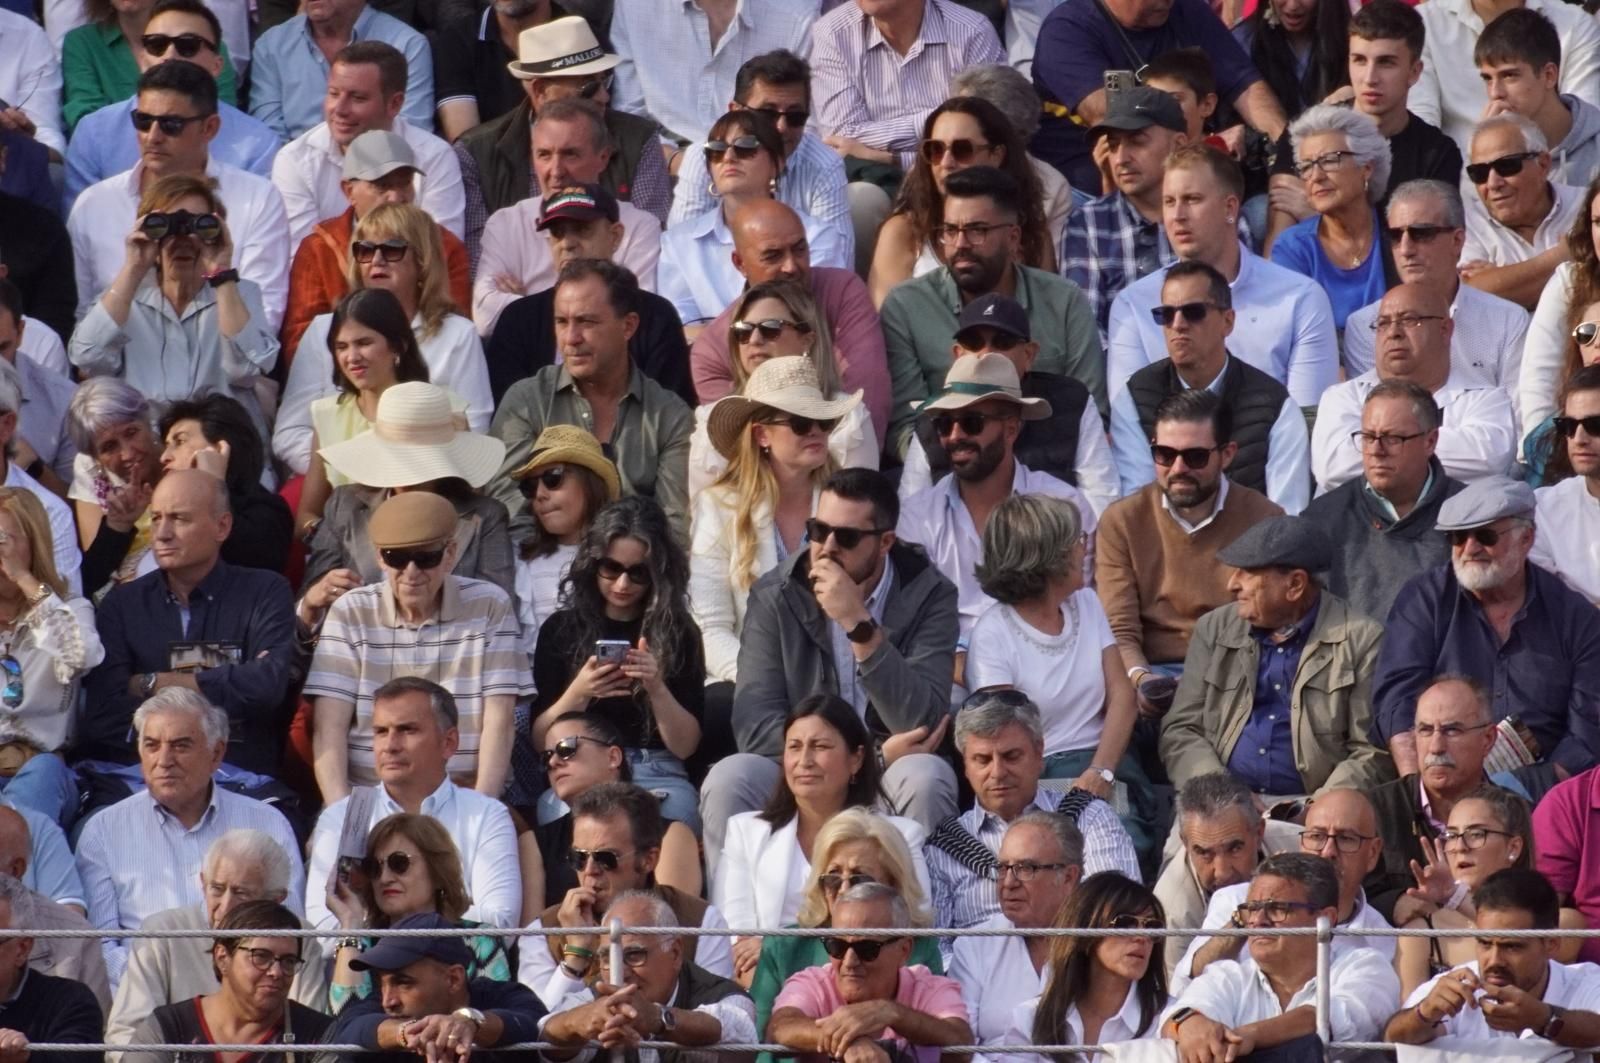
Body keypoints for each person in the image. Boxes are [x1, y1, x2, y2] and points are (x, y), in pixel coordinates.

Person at [702, 468, 959, 873]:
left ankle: (926, 930)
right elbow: (754, 726)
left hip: (888, 772)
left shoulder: (929, 592)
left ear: (886, 543)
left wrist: (860, 626)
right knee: (731, 777)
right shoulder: (775, 594)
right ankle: (733, 933)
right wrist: (861, 756)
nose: (826, 548)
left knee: (925, 776)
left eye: (848, 537)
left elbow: (922, 720)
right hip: (813, 766)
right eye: (818, 530)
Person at [304, 490, 529, 801]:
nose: (411, 572)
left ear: (450, 554)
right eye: (397, 558)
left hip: (464, 795)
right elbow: (329, 728)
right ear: (380, 557)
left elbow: (500, 721)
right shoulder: (350, 611)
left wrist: (481, 811)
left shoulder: (490, 605)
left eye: (425, 558)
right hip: (368, 796)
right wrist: (340, 814)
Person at [1371, 474, 1600, 778]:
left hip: (1541, 792)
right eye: (1457, 537)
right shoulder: (1424, 600)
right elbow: (1396, 701)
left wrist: (1525, 792)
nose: (1469, 548)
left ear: (1527, 539)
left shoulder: (1575, 618)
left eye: (1486, 536)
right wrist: (1420, 794)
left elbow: (1587, 732)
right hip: (1433, 778)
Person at [75, 688, 305, 987]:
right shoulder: (104, 830)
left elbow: (293, 930)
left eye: (181, 746)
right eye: (151, 745)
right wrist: (160, 982)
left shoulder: (268, 823)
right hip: (145, 1002)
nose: (164, 760)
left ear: (216, 753)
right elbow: (100, 945)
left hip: (249, 1000)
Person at [80, 469, 297, 778]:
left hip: (241, 780)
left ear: (222, 526)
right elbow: (105, 715)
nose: (162, 533)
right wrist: (228, 686)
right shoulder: (122, 605)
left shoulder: (265, 592)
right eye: (156, 519)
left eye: (179, 519)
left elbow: (266, 687)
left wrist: (155, 682)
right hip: (141, 780)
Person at [965, 496, 1152, 850]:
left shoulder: (1088, 604)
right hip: (1033, 776)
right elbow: (1003, 736)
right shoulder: (993, 633)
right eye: (1077, 541)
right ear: (1049, 558)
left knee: (1120, 840)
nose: (1085, 548)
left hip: (1105, 763)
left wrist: (1101, 772)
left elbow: (1123, 697)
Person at [1159, 515, 1391, 797]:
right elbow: (1181, 730)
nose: (1232, 584)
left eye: (1247, 572)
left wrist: (1317, 810)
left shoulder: (1361, 639)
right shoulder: (1214, 628)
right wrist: (1222, 793)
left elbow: (1369, 752)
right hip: (1218, 801)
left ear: (1295, 585)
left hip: (1313, 809)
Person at [882, 166, 1103, 459]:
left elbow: (1090, 411)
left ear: (1013, 238)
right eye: (950, 230)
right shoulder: (906, 306)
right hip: (945, 470)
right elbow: (905, 427)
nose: (960, 244)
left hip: (1051, 470)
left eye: (977, 231)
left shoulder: (1064, 302)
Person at [1097, 391, 1282, 736]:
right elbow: (1119, 631)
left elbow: (1269, 630)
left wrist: (1208, 680)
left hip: (1234, 677)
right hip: (1150, 676)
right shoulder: (1122, 521)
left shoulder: (1264, 519)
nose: (1178, 469)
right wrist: (1142, 679)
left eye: (1195, 457)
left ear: (1227, 454)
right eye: (1164, 454)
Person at [713, 696, 929, 985]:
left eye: (820, 747)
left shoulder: (902, 835)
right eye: (794, 747)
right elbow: (738, 945)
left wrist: (775, 946)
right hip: (765, 983)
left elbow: (910, 927)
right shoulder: (745, 831)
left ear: (856, 759)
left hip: (865, 980)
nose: (804, 761)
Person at [1106, 145, 1339, 412]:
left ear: (1230, 207)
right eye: (1169, 202)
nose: (1177, 216)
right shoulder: (1133, 305)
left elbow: (1306, 421)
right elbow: (1130, 424)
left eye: (1192, 199)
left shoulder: (1301, 298)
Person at [276, 202, 494, 481]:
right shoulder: (322, 330)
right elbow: (289, 433)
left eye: (391, 249)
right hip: (336, 488)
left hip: (429, 483)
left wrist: (402, 478)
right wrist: (352, 472)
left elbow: (474, 431)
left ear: (422, 261)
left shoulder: (458, 334)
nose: (376, 260)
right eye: (365, 250)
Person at [67, 60, 290, 332]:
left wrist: (220, 275)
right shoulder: (94, 204)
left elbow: (264, 322)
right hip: (120, 367)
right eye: (143, 121)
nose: (153, 136)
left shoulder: (257, 197)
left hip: (224, 367)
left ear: (210, 128)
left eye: (171, 124)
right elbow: (81, 320)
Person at [486, 259, 694, 542]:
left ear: (628, 326)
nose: (571, 338)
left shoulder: (670, 416)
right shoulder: (525, 400)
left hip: (633, 576)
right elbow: (508, 505)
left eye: (586, 321)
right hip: (538, 569)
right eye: (561, 322)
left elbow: (674, 527)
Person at [528, 495, 704, 828]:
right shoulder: (561, 630)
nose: (623, 584)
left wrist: (656, 687)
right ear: (593, 564)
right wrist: (579, 692)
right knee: (558, 818)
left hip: (657, 770)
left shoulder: (678, 631)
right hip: (582, 768)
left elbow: (686, 746)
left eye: (637, 573)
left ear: (656, 574)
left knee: (675, 823)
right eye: (611, 568)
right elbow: (539, 740)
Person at [898, 354, 1097, 648]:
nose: (955, 436)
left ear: (1011, 429)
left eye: (971, 422)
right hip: (951, 673)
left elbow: (1077, 608)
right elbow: (916, 627)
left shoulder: (1064, 506)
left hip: (1048, 665)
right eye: (943, 424)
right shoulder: (917, 516)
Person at [69, 171, 278, 440]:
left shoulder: (240, 294)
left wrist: (221, 273)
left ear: (216, 230)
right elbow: (87, 359)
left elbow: (246, 371)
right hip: (149, 452)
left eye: (197, 226)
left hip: (221, 447)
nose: (182, 238)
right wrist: (134, 267)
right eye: (164, 225)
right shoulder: (122, 298)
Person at [692, 357, 860, 686]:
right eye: (799, 422)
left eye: (821, 421)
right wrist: (765, 683)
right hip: (751, 679)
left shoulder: (850, 504)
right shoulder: (719, 506)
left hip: (841, 679)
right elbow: (710, 629)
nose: (815, 431)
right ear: (761, 435)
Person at [306, 677, 521, 932]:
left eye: (407, 730)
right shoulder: (341, 817)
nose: (390, 746)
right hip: (359, 971)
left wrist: (387, 917)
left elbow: (500, 925)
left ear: (449, 742)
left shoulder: (486, 814)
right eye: (381, 732)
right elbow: (321, 931)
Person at [452, 16, 671, 259]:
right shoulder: (475, 153)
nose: (603, 97)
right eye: (587, 87)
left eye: (604, 81)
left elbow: (647, 246)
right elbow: (480, 264)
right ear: (540, 91)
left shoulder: (639, 139)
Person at [927, 692, 1139, 935]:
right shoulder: (943, 849)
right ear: (965, 765)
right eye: (982, 760)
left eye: (1011, 756)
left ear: (1039, 754)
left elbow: (1118, 919)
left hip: (1074, 966)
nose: (997, 772)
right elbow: (938, 951)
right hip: (973, 971)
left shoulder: (1089, 818)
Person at [1108, 261, 1311, 514]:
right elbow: (1137, 506)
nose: (1178, 324)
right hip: (1162, 548)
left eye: (1193, 312)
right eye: (1166, 314)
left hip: (1253, 549)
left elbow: (1286, 516)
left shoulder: (1274, 405)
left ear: (1228, 321)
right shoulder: (1135, 396)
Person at [1030, 0, 1287, 196]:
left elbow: (1246, 85)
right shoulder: (1066, 30)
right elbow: (1117, 119)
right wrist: (1207, 142)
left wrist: (1287, 155)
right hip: (1086, 188)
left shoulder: (1185, 9)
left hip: (1188, 175)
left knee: (1266, 208)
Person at [298, 379, 514, 605]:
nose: (408, 473)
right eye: (400, 458)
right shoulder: (345, 505)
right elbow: (307, 608)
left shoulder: (485, 517)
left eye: (418, 461)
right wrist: (314, 600)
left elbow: (499, 607)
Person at [106, 829, 326, 1049]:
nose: (226, 906)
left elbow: (310, 1036)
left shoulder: (296, 939)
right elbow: (127, 1035)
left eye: (241, 893)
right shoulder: (161, 933)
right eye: (217, 889)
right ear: (203, 883)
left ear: (276, 900)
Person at [1162, 853, 1399, 1056]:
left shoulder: (1365, 966)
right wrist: (1189, 1023)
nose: (1258, 921)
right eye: (1252, 909)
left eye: (1277, 909)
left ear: (1325, 919)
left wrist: (1250, 1036)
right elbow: (1176, 1015)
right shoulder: (1229, 975)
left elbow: (1327, 1018)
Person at [897, 294, 1115, 514]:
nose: (987, 353)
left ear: (1029, 354)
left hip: (1059, 541)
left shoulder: (1071, 400)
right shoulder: (934, 414)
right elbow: (911, 507)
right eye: (974, 343)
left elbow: (1101, 495)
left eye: (1002, 342)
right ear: (958, 355)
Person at [518, 782, 735, 1002]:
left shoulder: (700, 921)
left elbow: (718, 1015)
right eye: (579, 858)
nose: (589, 871)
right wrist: (576, 956)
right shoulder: (543, 931)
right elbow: (540, 1026)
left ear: (648, 860)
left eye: (605, 858)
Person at [63, 0, 278, 215]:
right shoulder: (93, 133)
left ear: (217, 65)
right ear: (142, 58)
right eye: (157, 45)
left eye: (187, 46)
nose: (169, 55)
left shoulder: (257, 143)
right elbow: (83, 229)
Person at [1171, 789, 1396, 995]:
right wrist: (1248, 914)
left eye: (1346, 839)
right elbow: (1184, 984)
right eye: (1317, 837)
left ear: (1373, 853)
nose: (1328, 852)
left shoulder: (1383, 940)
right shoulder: (1236, 900)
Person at [472, 97, 663, 336]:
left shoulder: (639, 226)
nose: (556, 171)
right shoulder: (505, 224)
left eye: (570, 155)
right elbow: (485, 317)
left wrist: (524, 304)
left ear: (603, 158)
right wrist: (592, 314)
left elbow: (640, 315)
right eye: (544, 155)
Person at [484, 183, 687, 405]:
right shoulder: (518, 319)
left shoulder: (657, 317)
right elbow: (509, 417)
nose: (568, 244)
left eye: (582, 229)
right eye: (558, 233)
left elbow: (670, 412)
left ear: (615, 236)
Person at [281, 129, 473, 363]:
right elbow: (299, 343)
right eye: (382, 186)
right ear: (349, 191)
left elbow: (456, 318)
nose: (396, 197)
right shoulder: (319, 248)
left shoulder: (444, 245)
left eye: (404, 185)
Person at [1310, 283, 1519, 493]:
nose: (1393, 333)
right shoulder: (1343, 398)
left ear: (1445, 329)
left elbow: (1488, 459)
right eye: (1383, 323)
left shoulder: (1486, 400)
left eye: (1409, 320)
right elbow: (1333, 467)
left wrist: (1380, 452)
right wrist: (1420, 450)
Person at [1365, 677, 1539, 923]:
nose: (1436, 746)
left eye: (1452, 730)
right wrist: (1393, 903)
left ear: (1488, 739)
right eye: (1425, 730)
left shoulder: (1518, 816)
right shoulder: (1374, 811)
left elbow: (1536, 908)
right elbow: (1344, 895)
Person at [659, 111, 847, 331]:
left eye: (745, 146)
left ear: (776, 164)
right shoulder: (677, 243)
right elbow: (679, 328)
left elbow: (807, 316)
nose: (728, 157)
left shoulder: (816, 235)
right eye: (716, 150)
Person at [286, 290, 451, 541]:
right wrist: (336, 542)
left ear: (398, 346)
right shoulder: (329, 416)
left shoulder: (437, 407)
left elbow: (469, 501)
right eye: (341, 346)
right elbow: (306, 516)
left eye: (364, 343)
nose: (352, 357)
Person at [688, 280, 876, 501]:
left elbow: (860, 513)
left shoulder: (848, 417)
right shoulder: (711, 422)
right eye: (743, 331)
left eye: (770, 329)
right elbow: (705, 520)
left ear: (807, 340)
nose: (755, 340)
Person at [271, 42, 463, 249]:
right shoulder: (294, 160)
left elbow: (443, 253)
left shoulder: (434, 156)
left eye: (358, 98)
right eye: (334, 94)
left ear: (394, 104)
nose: (340, 109)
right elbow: (305, 258)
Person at [868, 97, 1054, 308]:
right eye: (935, 150)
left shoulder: (1032, 233)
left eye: (962, 150)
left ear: (996, 155)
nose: (946, 163)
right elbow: (888, 324)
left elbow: (1046, 318)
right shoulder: (903, 232)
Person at [1302, 381, 1466, 621]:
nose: (1376, 450)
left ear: (1430, 442)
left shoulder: (1470, 516)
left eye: (1392, 438)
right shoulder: (1323, 519)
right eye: (1368, 437)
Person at [670, 51, 850, 265]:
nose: (781, 127)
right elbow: (682, 253)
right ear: (734, 111)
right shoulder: (707, 154)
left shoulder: (824, 164)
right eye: (767, 114)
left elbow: (835, 267)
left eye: (795, 117)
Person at [1344, 180, 1529, 388]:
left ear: (1457, 241)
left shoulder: (1507, 321)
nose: (1406, 250)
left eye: (1421, 234)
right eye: (1395, 236)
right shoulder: (1364, 326)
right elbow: (1373, 411)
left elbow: (1516, 414)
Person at [324, 813, 515, 1013]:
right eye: (374, 868)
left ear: (437, 871)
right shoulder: (359, 945)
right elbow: (343, 1020)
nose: (385, 878)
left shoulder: (480, 939)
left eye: (399, 864)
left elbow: (493, 1015)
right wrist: (350, 921)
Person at [1387, 868, 1600, 1047]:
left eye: (1512, 946)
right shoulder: (1455, 987)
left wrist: (1544, 1019)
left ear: (1551, 944)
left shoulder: (1586, 982)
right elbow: (1391, 1045)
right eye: (1485, 943)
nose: (1495, 960)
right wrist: (1424, 1014)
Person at [768, 880, 973, 1063]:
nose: (849, 961)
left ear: (904, 950)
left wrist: (892, 1013)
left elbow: (962, 1044)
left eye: (867, 949)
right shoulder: (814, 983)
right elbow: (779, 1028)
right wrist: (847, 1041)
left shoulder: (929, 989)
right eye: (837, 946)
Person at [1392, 786, 1568, 999]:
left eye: (1476, 834)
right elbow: (1407, 1025)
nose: (1460, 846)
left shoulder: (1562, 925)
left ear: (1513, 848)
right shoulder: (1420, 932)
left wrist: (1455, 897)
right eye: (1452, 835)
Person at [540, 891, 755, 1057]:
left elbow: (740, 1030)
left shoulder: (720, 994)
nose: (620, 972)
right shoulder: (600, 993)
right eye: (607, 958)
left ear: (675, 952)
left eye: (634, 955)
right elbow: (544, 1032)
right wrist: (578, 1023)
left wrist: (658, 1018)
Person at [0, 489, 102, 826]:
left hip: (43, 774)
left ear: (34, 543)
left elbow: (81, 652)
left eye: (3, 539)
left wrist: (25, 579)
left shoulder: (69, 610)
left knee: (40, 776)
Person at [529, 712, 702, 909]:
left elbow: (673, 928)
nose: (553, 762)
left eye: (566, 748)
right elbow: (530, 937)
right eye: (546, 757)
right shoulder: (533, 843)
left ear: (613, 757)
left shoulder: (670, 835)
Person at [1060, 86, 1190, 348]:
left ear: (1178, 145)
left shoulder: (1213, 212)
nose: (1120, 158)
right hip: (1123, 377)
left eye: (1136, 141)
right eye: (1114, 144)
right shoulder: (1087, 224)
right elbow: (1086, 331)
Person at [324, 911, 548, 1063]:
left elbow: (536, 1028)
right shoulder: (383, 1008)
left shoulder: (501, 995)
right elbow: (348, 1032)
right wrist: (408, 1032)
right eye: (382, 983)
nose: (387, 1000)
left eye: (403, 982)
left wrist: (469, 1022)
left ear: (453, 979)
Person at [810, 0, 1003, 175]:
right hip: (874, 177)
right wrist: (948, 121)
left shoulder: (971, 31)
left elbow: (987, 127)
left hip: (961, 174)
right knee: (861, 199)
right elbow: (841, 138)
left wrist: (891, 159)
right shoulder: (832, 33)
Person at [123, 900, 332, 1061]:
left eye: (288, 961)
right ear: (222, 957)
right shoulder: (168, 1029)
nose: (276, 972)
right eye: (261, 956)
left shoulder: (317, 1035)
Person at [948, 811, 1085, 1047]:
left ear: (1068, 877)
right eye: (1003, 868)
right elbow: (962, 1049)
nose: (1009, 883)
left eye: (1026, 868)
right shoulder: (975, 944)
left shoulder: (1102, 943)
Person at [607, 0, 813, 150]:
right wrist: (673, 161)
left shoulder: (796, 14)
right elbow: (629, 116)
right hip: (663, 163)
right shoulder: (634, 6)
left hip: (764, 162)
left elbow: (808, 125)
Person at [1005, 872, 1168, 1060]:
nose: (1142, 937)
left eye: (1152, 927)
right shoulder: (1029, 1019)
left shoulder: (1168, 1021)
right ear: (1085, 926)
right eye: (1126, 923)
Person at [1410, 0, 1600, 153]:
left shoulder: (1576, 24)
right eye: (1487, 79)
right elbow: (1422, 131)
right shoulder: (1424, 23)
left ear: (1550, 74)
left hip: (1560, 173)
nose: (1495, 93)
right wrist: (1481, 153)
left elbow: (1583, 127)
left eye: (1510, 75)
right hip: (1458, 181)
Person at [1270, 106, 1392, 332]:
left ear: (1366, 168)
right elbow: (1290, 333)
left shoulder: (1400, 235)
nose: (1316, 176)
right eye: (1306, 166)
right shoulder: (1293, 248)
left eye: (1329, 160)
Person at [248, 0, 433, 143]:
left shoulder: (407, 44)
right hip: (299, 178)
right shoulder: (271, 45)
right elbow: (269, 135)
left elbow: (411, 133)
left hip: (381, 176)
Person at [157, 395, 294, 576]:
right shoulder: (160, 512)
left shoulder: (267, 509)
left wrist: (212, 486)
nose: (164, 457)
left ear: (220, 448)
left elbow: (247, 563)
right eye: (166, 445)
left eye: (180, 442)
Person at [510, 426, 618, 655]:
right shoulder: (522, 562)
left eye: (553, 478)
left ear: (591, 483)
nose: (540, 494)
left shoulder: (624, 558)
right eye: (530, 487)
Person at [60, 0, 238, 136]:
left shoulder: (203, 44)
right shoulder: (82, 42)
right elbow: (83, 115)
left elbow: (224, 111)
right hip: (112, 158)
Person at [1460, 113, 1583, 310]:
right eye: (1480, 173)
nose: (1493, 183)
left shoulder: (1586, 207)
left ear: (1543, 164)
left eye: (1507, 165)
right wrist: (1562, 257)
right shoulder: (1465, 224)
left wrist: (1503, 278)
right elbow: (1472, 296)